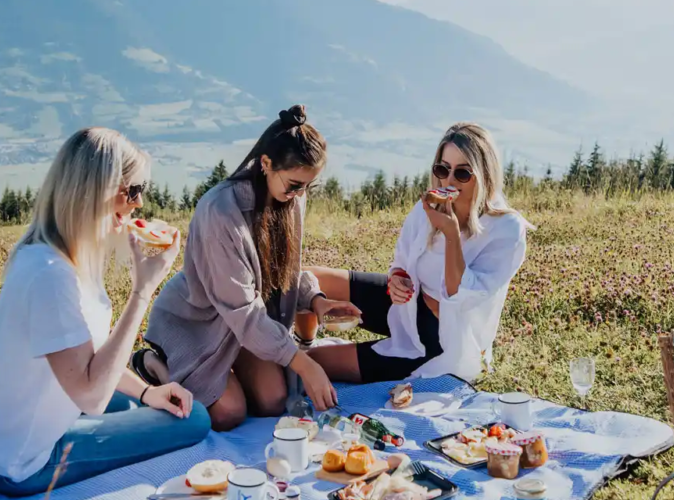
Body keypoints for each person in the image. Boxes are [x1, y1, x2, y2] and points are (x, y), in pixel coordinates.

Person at [0, 127, 209, 496]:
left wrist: (145, 393)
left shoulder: (52, 253)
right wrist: (142, 291)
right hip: (20, 461)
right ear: (99, 190)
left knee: (157, 404)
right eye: (133, 190)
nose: (138, 204)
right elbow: (91, 397)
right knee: (195, 420)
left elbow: (87, 356)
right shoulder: (51, 276)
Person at [134, 105, 361, 431]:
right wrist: (305, 365)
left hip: (243, 327)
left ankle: (230, 373)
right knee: (229, 413)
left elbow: (284, 273)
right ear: (266, 164)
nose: (299, 195)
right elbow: (241, 309)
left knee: (272, 401)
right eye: (295, 184)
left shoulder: (291, 199)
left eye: (308, 187)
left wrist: (317, 301)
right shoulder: (219, 211)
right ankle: (155, 364)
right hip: (202, 323)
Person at [302, 122, 530, 383]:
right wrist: (397, 277)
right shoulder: (430, 205)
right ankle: (302, 337)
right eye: (443, 169)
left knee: (311, 364)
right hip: (407, 305)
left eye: (463, 174)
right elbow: (402, 258)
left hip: (441, 340)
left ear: (484, 174)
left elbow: (462, 299)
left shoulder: (507, 229)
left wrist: (452, 235)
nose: (449, 180)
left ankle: (302, 356)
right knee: (308, 277)